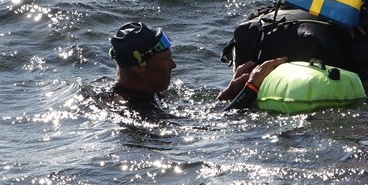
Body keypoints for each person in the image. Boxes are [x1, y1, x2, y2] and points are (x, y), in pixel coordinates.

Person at [107, 21, 285, 118]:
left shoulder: (145, 94)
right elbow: (209, 129)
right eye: (166, 60)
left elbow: (199, 118)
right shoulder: (130, 111)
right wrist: (251, 89)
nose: (173, 65)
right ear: (139, 66)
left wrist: (227, 95)